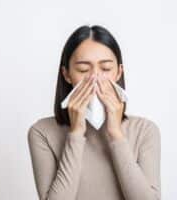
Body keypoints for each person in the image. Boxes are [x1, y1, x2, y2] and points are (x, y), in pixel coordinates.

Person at [27, 25, 161, 200]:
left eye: (105, 69)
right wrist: (75, 133)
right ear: (66, 74)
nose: (95, 79)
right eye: (83, 70)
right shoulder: (42, 132)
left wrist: (115, 134)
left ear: (119, 73)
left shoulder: (145, 130)